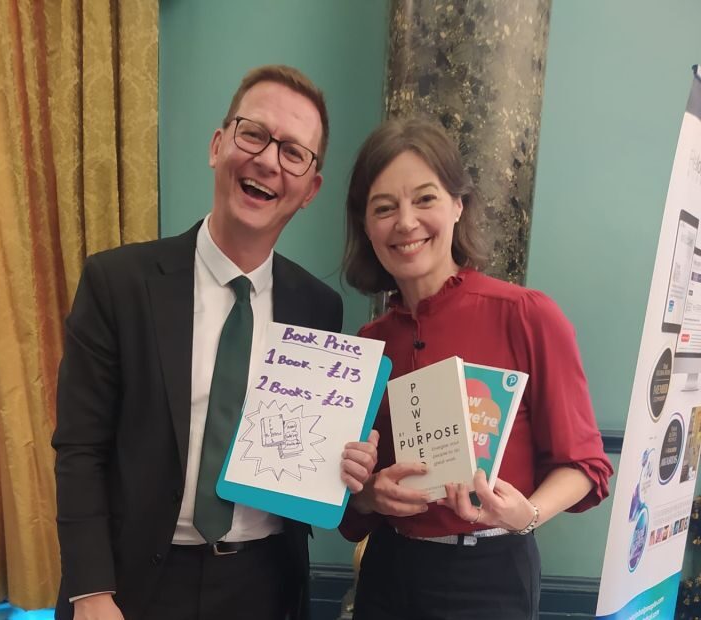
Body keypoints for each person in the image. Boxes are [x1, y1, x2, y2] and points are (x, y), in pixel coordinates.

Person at [52, 65, 378, 620]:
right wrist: (91, 591)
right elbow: (80, 449)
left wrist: (345, 461)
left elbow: (300, 450)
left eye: (294, 152)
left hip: (265, 585)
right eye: (254, 134)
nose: (269, 160)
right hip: (132, 588)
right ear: (218, 144)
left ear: (309, 190)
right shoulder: (119, 283)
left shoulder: (318, 308)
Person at [338, 118, 613, 620]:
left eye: (425, 198)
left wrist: (525, 515)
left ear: (458, 205)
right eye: (384, 208)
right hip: (388, 570)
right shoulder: (369, 344)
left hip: (490, 573)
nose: (405, 222)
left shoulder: (526, 315)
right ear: (366, 226)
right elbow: (350, 502)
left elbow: (586, 466)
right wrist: (369, 496)